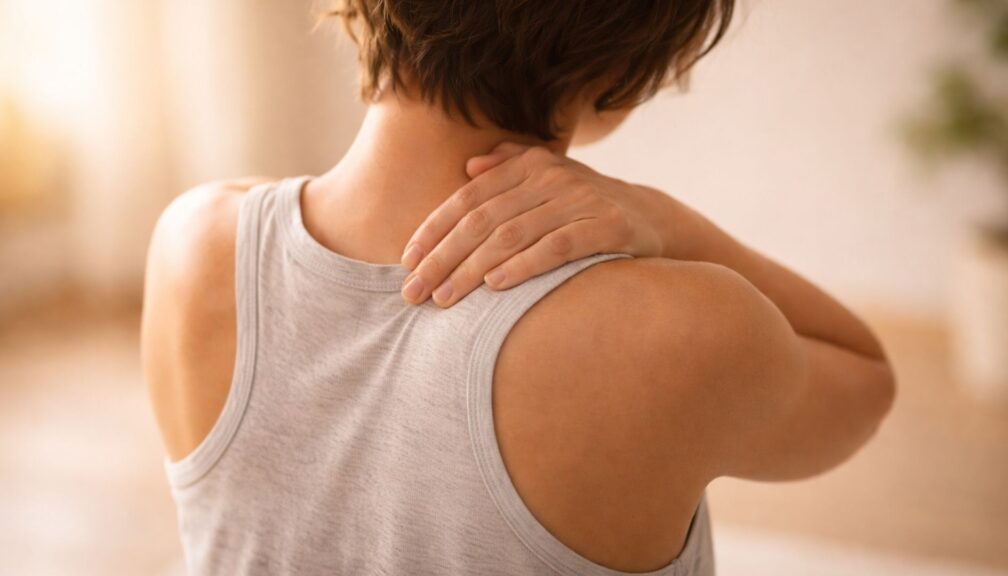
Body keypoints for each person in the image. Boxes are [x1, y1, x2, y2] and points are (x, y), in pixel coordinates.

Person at [141, 1, 896, 574]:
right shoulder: (679, 330)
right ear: (625, 58)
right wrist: (665, 219)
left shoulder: (194, 243)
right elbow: (865, 378)